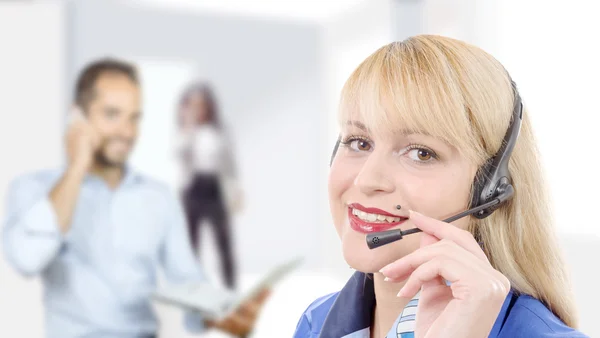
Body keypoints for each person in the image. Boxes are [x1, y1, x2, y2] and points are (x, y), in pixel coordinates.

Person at [293, 35, 589, 337]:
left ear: (488, 189)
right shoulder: (316, 322)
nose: (367, 180)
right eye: (359, 142)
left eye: (421, 153)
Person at [2, 58, 267, 338]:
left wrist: (219, 317)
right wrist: (77, 166)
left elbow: (188, 281)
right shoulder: (33, 189)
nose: (127, 132)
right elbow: (27, 259)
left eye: (134, 117)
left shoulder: (159, 197)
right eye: (112, 115)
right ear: (76, 117)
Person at [176, 82, 242, 289]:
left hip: (214, 188)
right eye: (194, 105)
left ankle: (230, 288)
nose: (199, 110)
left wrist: (236, 189)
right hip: (193, 189)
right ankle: (190, 288)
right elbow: (179, 153)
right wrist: (189, 126)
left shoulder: (219, 132)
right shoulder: (185, 131)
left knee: (223, 242)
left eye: (202, 105)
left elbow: (230, 163)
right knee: (191, 244)